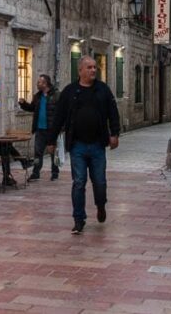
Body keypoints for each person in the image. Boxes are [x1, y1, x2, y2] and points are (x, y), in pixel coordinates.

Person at [47, 55, 121, 235]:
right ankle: (78, 219)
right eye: (89, 67)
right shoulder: (70, 92)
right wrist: (51, 140)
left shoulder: (102, 90)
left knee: (100, 181)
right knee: (79, 182)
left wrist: (115, 134)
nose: (93, 70)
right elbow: (58, 117)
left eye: (95, 67)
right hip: (77, 145)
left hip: (97, 144)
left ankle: (101, 205)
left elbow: (113, 112)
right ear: (80, 70)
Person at [18, 74, 61, 181]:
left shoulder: (56, 95)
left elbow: (62, 112)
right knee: (38, 153)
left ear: (45, 83)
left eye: (40, 82)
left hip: (52, 130)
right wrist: (23, 104)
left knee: (53, 153)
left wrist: (60, 127)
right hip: (40, 129)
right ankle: (35, 172)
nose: (37, 84)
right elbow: (32, 108)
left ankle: (55, 172)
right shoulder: (37, 96)